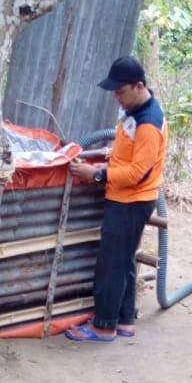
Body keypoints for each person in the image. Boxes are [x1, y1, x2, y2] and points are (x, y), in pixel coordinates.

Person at [65, 56, 167, 343]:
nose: (117, 98)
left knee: (111, 264)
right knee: (124, 260)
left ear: (139, 86)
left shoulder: (148, 122)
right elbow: (129, 155)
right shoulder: (136, 111)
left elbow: (138, 171)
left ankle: (104, 326)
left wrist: (97, 174)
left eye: (121, 92)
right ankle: (124, 321)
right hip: (129, 198)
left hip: (130, 201)